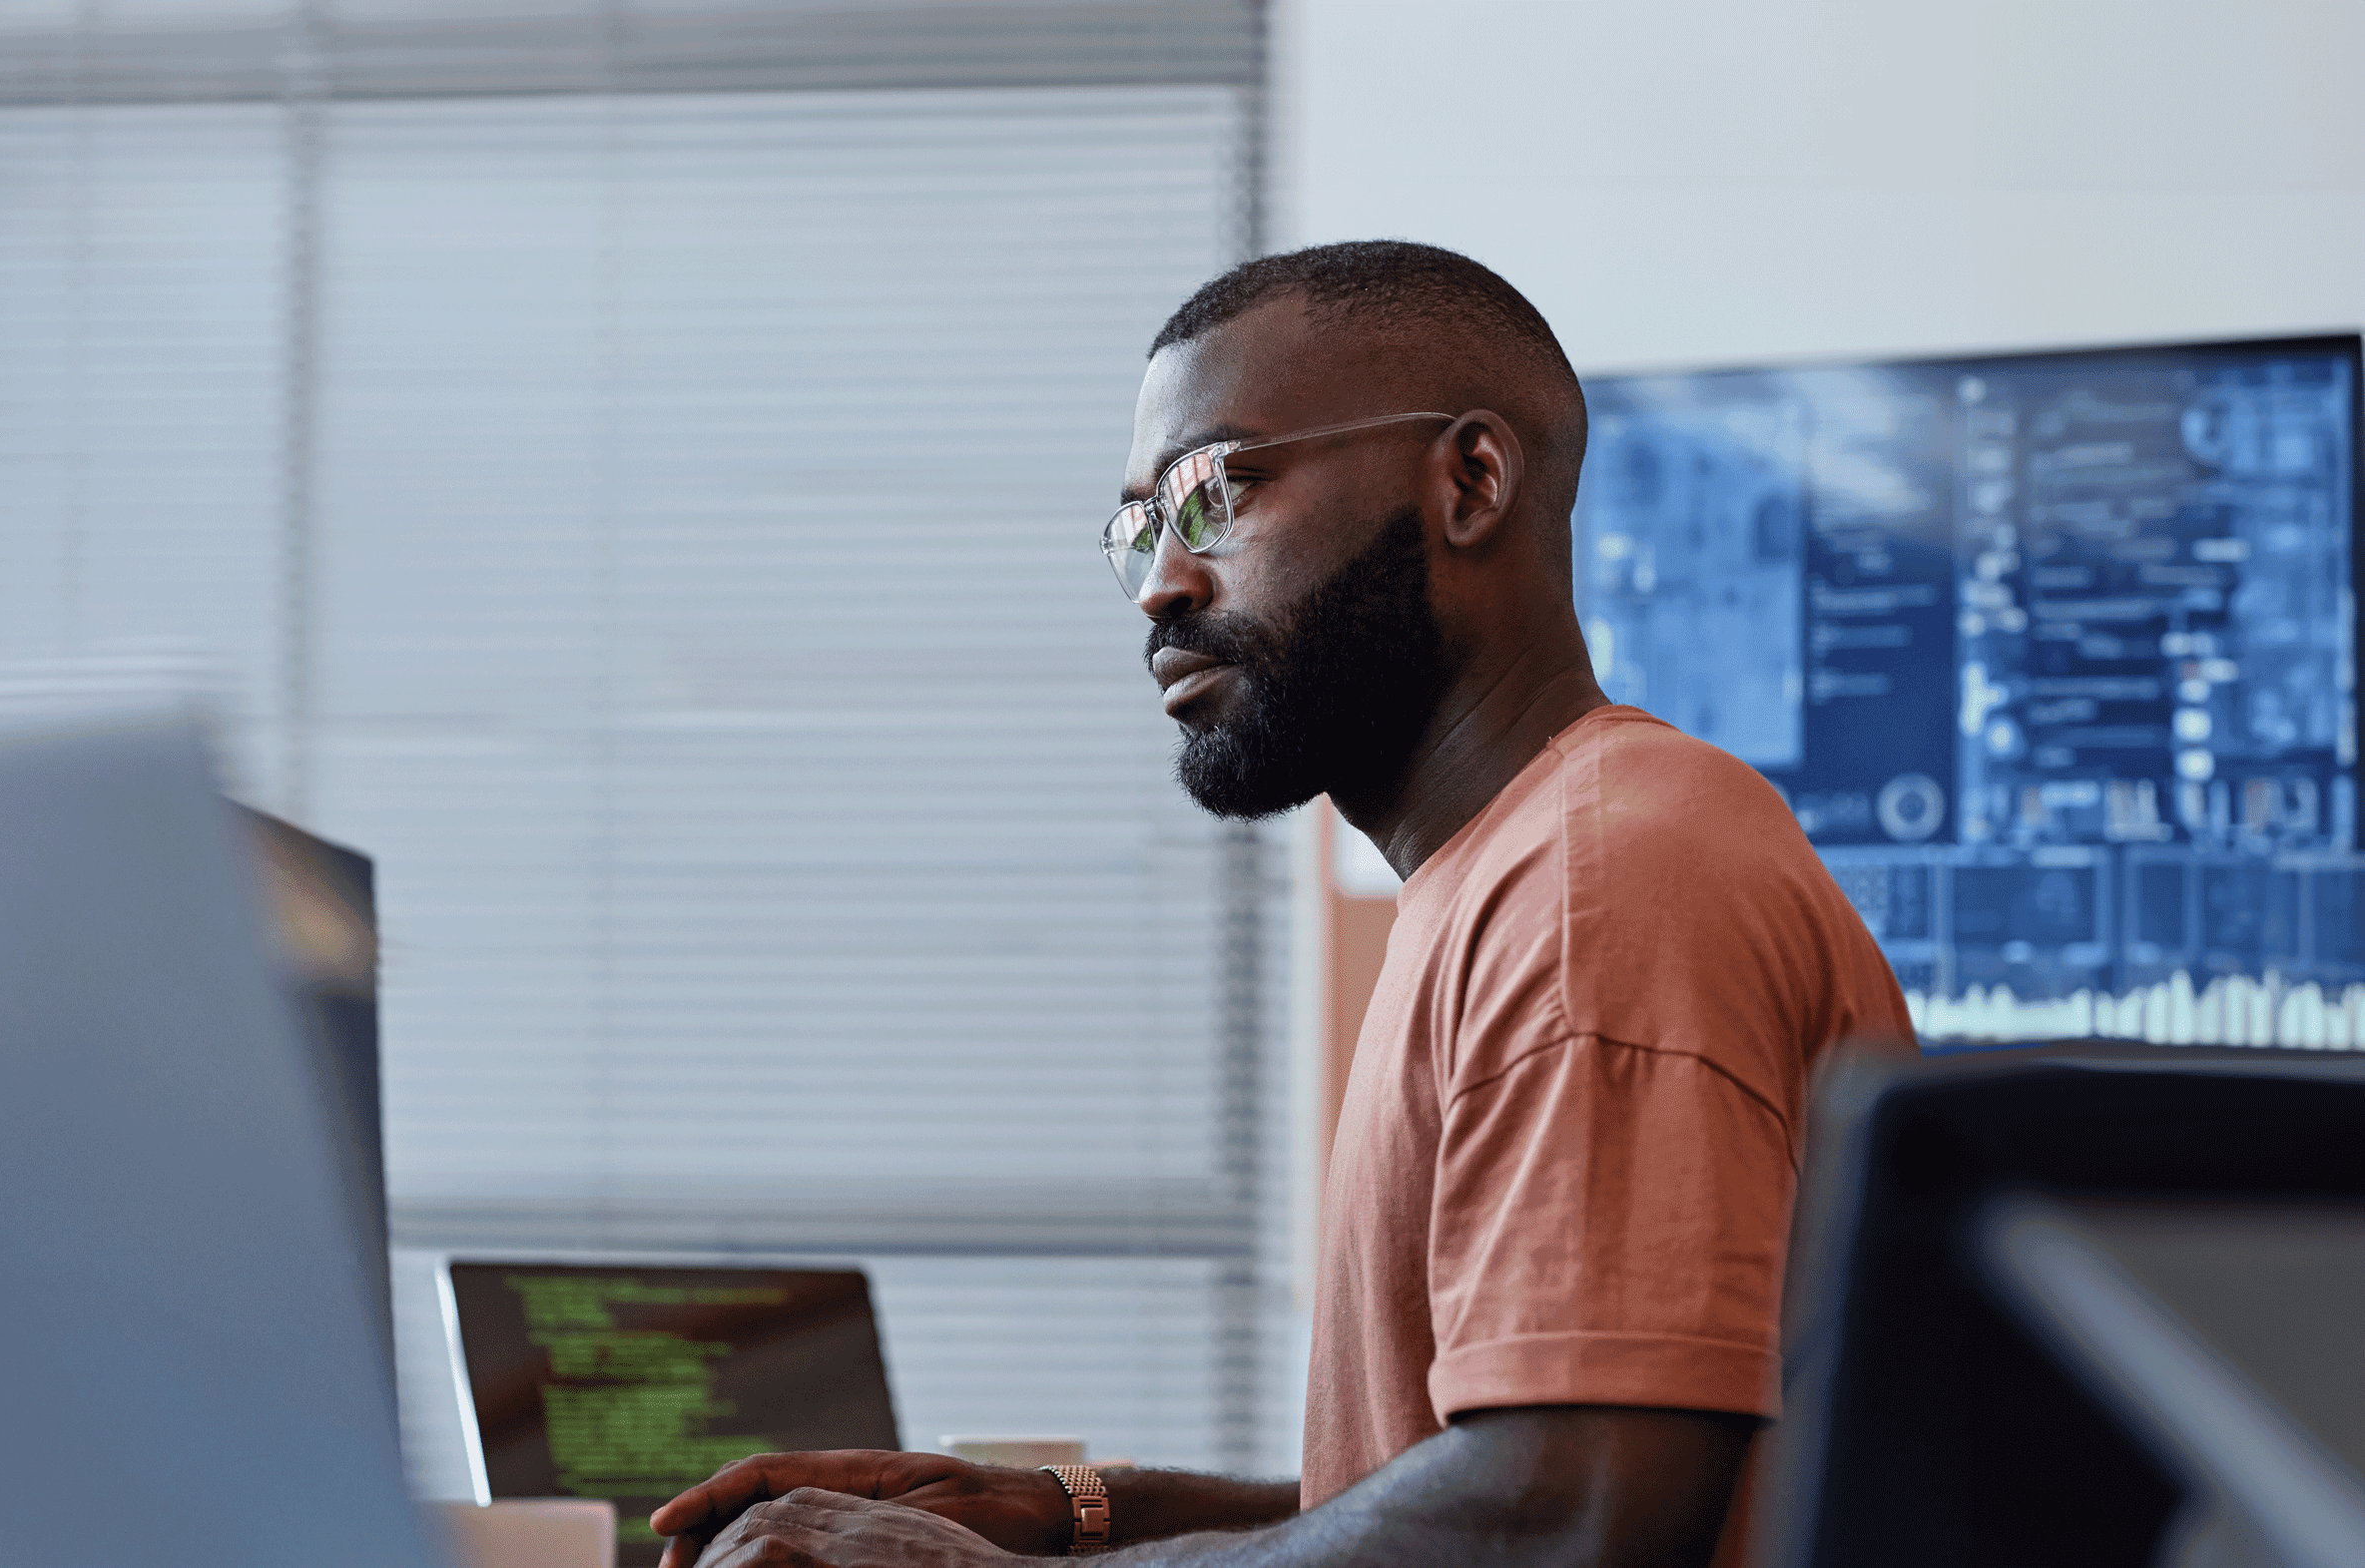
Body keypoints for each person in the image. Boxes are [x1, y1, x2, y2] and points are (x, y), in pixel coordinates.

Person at [648, 241, 1914, 1568]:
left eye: (1215, 491)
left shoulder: (1599, 881)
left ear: (1471, 481)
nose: (1161, 583)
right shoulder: (1513, 867)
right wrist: (1075, 1512)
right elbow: (1446, 1484)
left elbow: (1569, 1511)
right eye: (1141, 526)